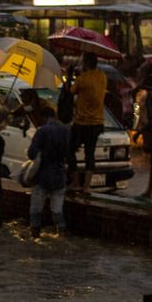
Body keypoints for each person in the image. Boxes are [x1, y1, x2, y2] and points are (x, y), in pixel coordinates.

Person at [27, 106, 70, 238]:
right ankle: (61, 235)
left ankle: (35, 238)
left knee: (35, 211)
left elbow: (31, 153)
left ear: (43, 117)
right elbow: (70, 154)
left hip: (43, 177)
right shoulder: (66, 131)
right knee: (57, 211)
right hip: (59, 176)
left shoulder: (42, 131)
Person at [68, 52, 107, 194]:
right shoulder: (102, 76)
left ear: (85, 63)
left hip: (81, 123)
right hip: (97, 122)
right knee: (89, 154)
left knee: (70, 150)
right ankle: (87, 186)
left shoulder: (82, 79)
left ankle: (75, 182)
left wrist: (71, 74)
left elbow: (71, 91)